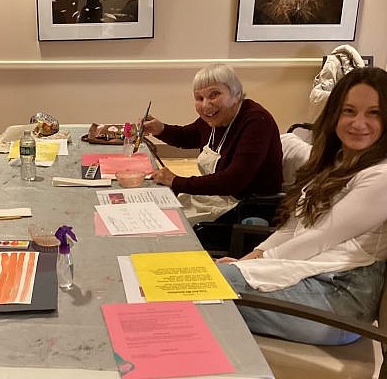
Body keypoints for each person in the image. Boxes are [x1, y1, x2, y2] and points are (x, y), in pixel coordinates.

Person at [216, 67, 387, 345]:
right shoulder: (336, 162)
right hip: (312, 278)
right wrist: (251, 259)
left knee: (200, 285)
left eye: (374, 113)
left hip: (339, 302)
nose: (359, 123)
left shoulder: (381, 176)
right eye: (349, 111)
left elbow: (320, 237)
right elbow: (293, 227)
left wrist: (252, 267)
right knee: (199, 281)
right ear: (335, 113)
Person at [142, 63, 283, 225]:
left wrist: (176, 181)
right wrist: (160, 129)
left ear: (236, 95)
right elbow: (188, 136)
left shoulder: (256, 121)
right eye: (199, 98)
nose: (206, 105)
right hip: (219, 197)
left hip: (247, 207)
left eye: (214, 94)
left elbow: (233, 180)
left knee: (167, 223)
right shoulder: (216, 117)